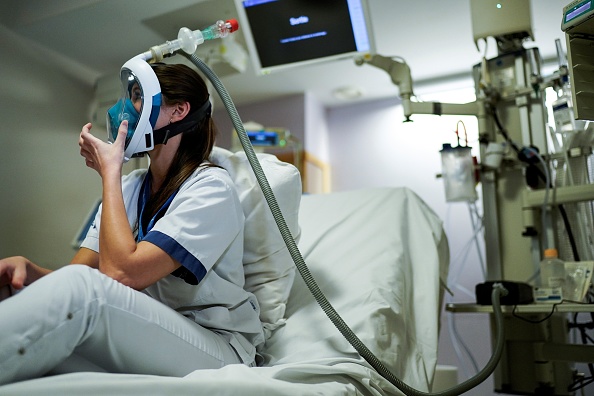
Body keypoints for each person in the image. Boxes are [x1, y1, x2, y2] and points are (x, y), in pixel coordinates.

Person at [0, 63, 264, 385]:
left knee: (86, 295)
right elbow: (80, 275)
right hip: (144, 330)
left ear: (178, 111)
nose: (126, 108)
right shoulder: (131, 187)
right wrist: (31, 274)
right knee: (38, 334)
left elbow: (120, 276)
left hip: (217, 346)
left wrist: (110, 173)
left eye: (138, 97)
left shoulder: (211, 189)